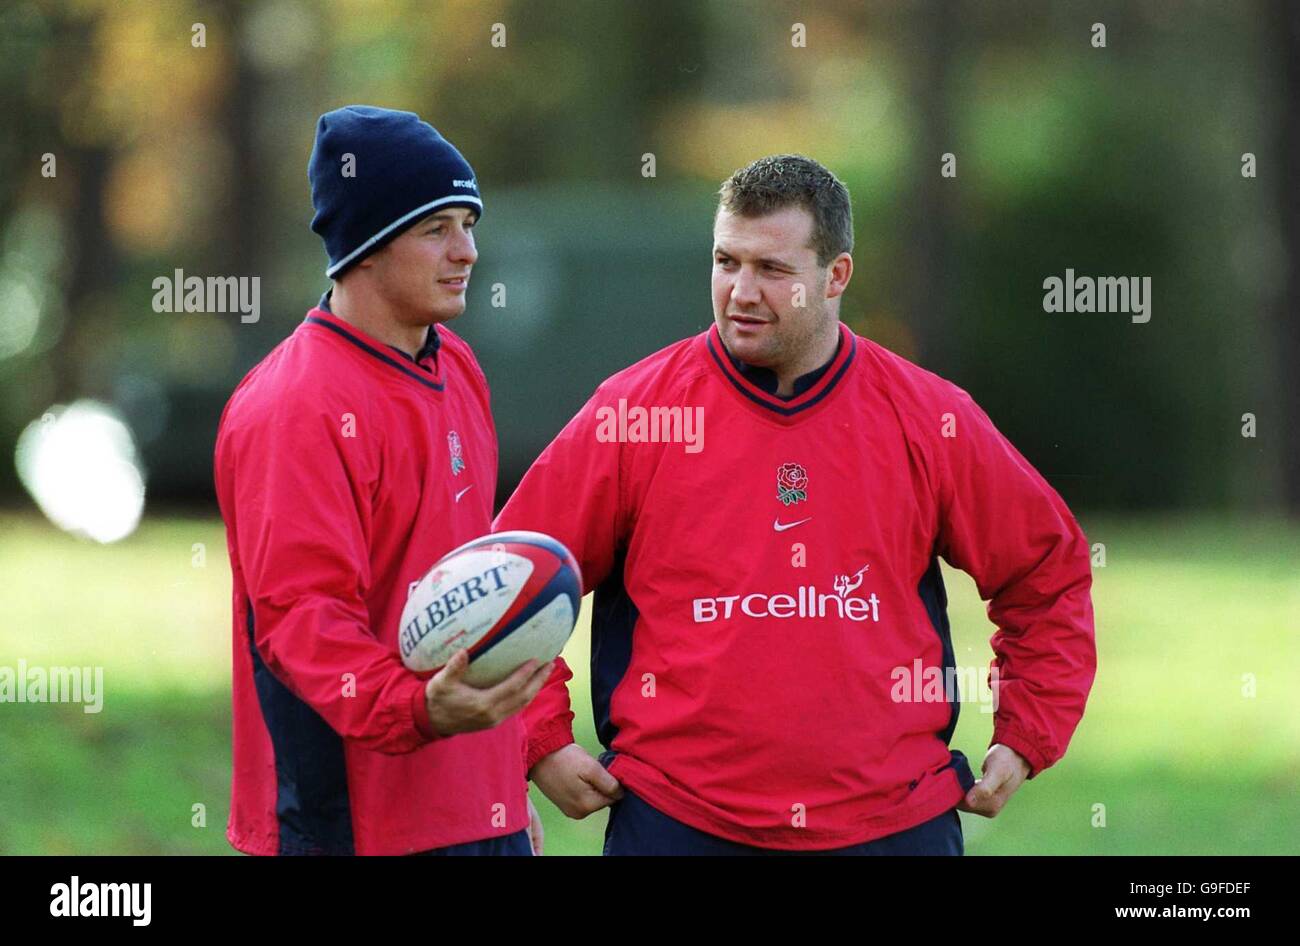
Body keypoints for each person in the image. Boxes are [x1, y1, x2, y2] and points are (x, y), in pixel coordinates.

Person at [495, 154, 1097, 855]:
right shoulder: (636, 414)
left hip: (894, 824)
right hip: (680, 823)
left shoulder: (929, 416)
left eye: (772, 270)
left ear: (835, 275)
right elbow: (512, 581)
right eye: (726, 262)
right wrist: (539, 739)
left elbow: (1047, 571)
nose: (741, 291)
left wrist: (1025, 733)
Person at [214, 105, 551, 856]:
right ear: (363, 248)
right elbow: (304, 621)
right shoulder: (294, 407)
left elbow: (482, 576)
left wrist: (505, 778)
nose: (466, 251)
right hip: (356, 827)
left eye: (469, 223)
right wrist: (418, 710)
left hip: (480, 816)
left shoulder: (456, 363)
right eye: (437, 229)